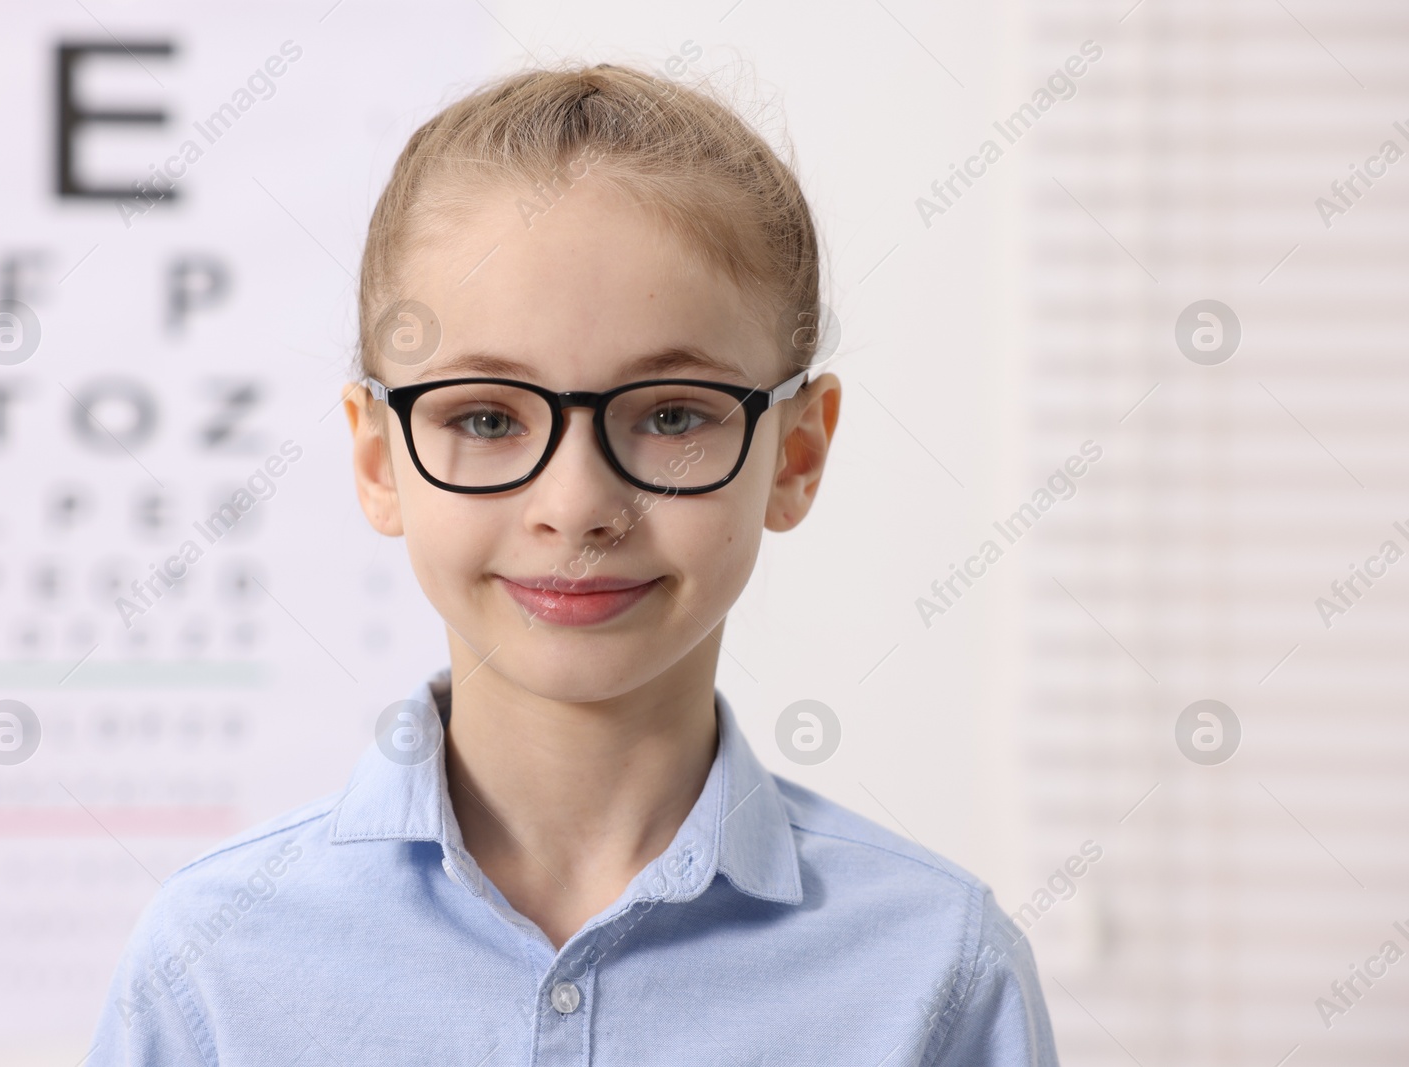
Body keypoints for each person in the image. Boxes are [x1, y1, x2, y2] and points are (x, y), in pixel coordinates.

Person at [88, 62, 1058, 1065]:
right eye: (487, 417)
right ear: (378, 458)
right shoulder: (210, 961)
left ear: (796, 455)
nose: (576, 506)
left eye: (673, 414)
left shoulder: (935, 967)